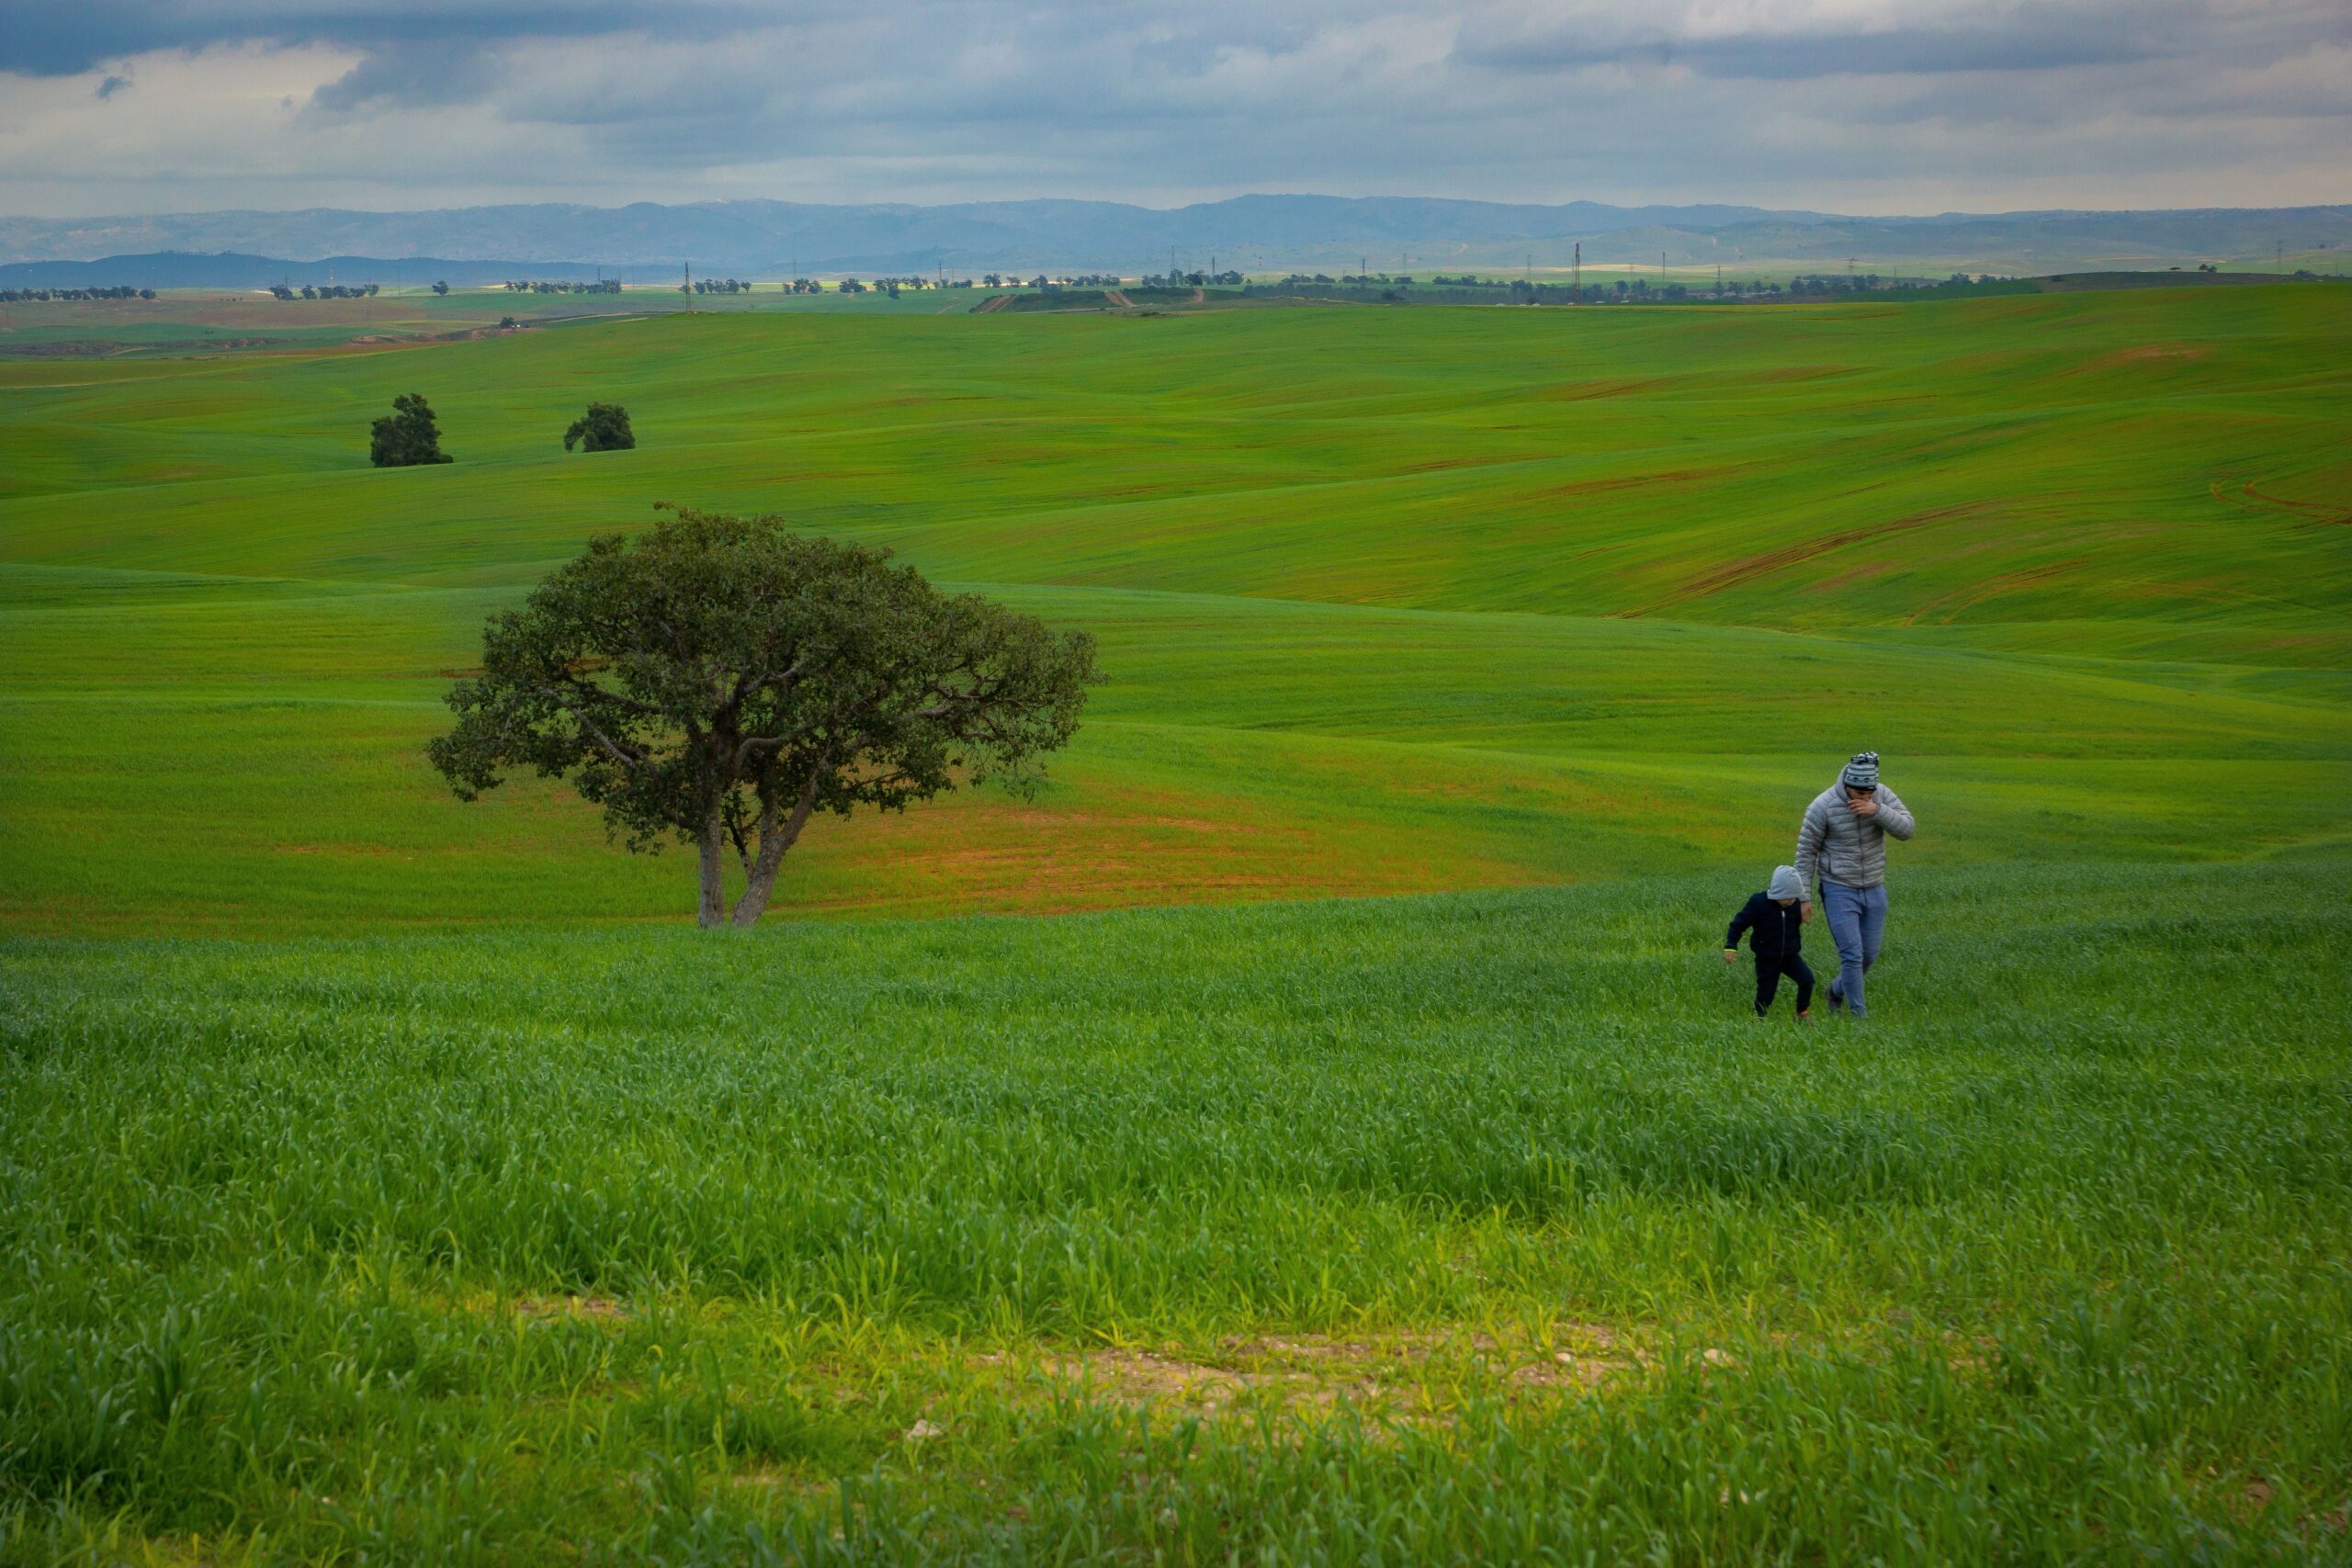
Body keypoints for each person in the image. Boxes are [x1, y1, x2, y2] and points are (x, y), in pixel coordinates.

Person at [1794, 751, 1916, 1019]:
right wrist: (1804, 898)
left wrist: (1878, 811)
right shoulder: (1822, 805)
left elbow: (1907, 829)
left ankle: (1835, 991)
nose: (1864, 799)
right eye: (1860, 794)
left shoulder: (1881, 797)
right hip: (1838, 888)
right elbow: (1805, 853)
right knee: (1852, 955)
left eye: (1869, 794)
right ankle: (1860, 1017)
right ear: (1847, 785)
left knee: (1869, 955)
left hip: (1874, 886)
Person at [1724, 864, 1813, 1021]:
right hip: (1767, 959)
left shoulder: (1794, 904)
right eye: (1789, 897)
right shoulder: (1758, 903)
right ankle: (1759, 1018)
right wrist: (1731, 946)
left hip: (1790, 956)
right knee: (1766, 993)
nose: (1793, 901)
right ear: (1778, 892)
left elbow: (1792, 925)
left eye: (1795, 897)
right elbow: (1737, 924)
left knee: (1807, 980)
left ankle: (1801, 1013)